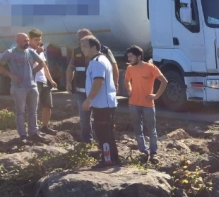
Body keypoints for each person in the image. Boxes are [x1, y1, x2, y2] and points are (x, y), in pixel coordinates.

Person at [66, 29, 119, 143]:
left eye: (83, 42)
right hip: (81, 90)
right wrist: (68, 82)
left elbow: (113, 68)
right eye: (79, 42)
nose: (81, 45)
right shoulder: (76, 51)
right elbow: (71, 67)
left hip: (98, 92)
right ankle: (87, 140)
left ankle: (105, 146)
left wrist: (115, 83)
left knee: (101, 121)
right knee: (84, 118)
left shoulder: (102, 53)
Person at [0, 33, 48, 143]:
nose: (27, 42)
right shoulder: (10, 53)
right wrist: (10, 75)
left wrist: (33, 72)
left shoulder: (30, 52)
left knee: (33, 111)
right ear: (17, 41)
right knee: (20, 112)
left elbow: (41, 63)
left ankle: (33, 132)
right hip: (18, 87)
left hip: (32, 86)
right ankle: (22, 135)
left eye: (27, 40)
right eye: (24, 40)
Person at [124, 45, 168, 163]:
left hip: (148, 104)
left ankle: (154, 153)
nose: (129, 59)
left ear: (139, 56)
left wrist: (156, 96)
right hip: (133, 104)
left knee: (151, 129)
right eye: (128, 57)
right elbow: (127, 80)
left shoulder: (150, 68)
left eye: (131, 56)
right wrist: (129, 90)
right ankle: (143, 151)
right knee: (138, 129)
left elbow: (164, 81)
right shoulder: (130, 69)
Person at [81, 35, 119, 167]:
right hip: (102, 103)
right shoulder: (97, 60)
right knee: (105, 132)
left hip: (103, 104)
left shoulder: (98, 61)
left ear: (94, 47)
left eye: (85, 46)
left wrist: (89, 99)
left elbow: (99, 81)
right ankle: (113, 158)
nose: (82, 49)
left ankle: (107, 160)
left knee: (103, 132)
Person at [28, 30, 58, 135]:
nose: (38, 42)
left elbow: (45, 67)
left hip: (43, 80)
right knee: (34, 106)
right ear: (30, 39)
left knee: (48, 105)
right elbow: (28, 66)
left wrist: (51, 80)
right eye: (36, 40)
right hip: (34, 81)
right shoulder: (28, 51)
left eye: (39, 40)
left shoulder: (39, 51)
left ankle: (45, 126)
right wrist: (38, 53)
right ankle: (33, 129)